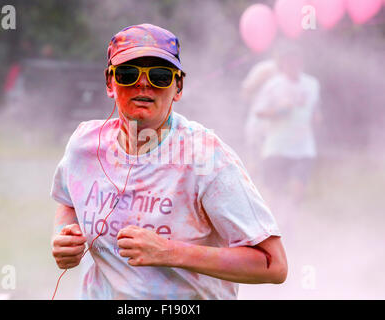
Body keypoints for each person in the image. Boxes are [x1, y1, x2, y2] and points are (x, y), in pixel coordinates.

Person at [50, 23, 287, 300]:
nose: (143, 83)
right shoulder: (84, 145)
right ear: (109, 83)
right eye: (128, 73)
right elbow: (68, 201)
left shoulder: (204, 157)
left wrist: (168, 251)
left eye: (160, 76)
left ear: (178, 86)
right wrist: (66, 236)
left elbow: (273, 265)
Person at [254, 44, 322, 229]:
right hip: (277, 147)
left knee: (297, 190)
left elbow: (315, 110)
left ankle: (289, 225)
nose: (293, 64)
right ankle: (270, 230)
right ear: (282, 63)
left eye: (296, 60)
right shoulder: (273, 85)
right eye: (288, 61)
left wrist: (317, 118)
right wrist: (279, 110)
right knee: (274, 194)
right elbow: (259, 112)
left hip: (303, 148)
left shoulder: (312, 84)